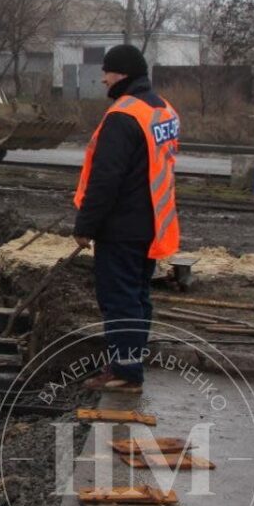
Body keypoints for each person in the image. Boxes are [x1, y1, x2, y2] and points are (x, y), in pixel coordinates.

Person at [73, 44, 180, 393]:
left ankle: (124, 372)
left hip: (121, 226)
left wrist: (86, 225)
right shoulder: (163, 110)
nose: (102, 78)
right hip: (152, 224)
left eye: (106, 71)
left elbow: (106, 178)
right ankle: (129, 362)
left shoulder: (123, 115)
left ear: (122, 74)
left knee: (119, 299)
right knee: (137, 296)